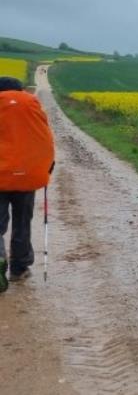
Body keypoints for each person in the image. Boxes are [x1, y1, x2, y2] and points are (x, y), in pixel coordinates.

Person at [0, 76, 55, 292]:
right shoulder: (31, 104)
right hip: (26, 176)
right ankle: (19, 269)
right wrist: (45, 166)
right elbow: (44, 139)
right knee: (22, 222)